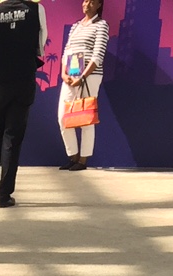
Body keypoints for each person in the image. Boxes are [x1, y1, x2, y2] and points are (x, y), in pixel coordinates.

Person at [0, 0, 46, 208]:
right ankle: (4, 195)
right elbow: (40, 45)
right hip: (23, 83)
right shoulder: (37, 10)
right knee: (12, 139)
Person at [58, 0, 108, 170]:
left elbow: (97, 55)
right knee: (63, 117)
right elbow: (66, 52)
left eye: (91, 2)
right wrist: (63, 73)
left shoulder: (101, 25)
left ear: (98, 5)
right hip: (70, 76)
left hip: (90, 77)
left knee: (86, 118)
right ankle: (73, 156)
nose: (86, 4)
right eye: (85, 0)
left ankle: (83, 160)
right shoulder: (75, 26)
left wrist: (83, 76)